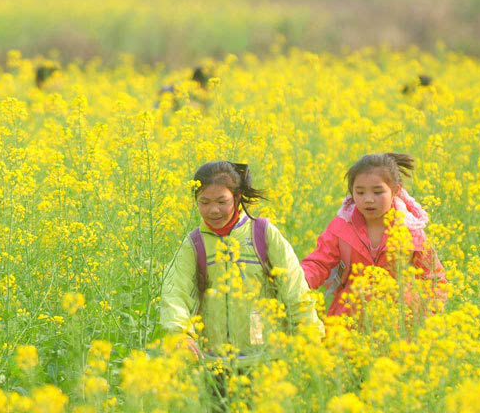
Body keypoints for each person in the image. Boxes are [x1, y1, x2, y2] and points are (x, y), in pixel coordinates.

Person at [160, 161, 322, 362]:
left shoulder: (262, 233)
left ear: (237, 198)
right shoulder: (194, 243)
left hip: (266, 358)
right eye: (204, 202)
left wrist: (309, 336)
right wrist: (179, 334)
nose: (213, 210)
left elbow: (294, 287)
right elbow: (175, 291)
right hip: (213, 361)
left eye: (222, 202)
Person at [301, 153, 446, 321]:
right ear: (351, 193)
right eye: (360, 192)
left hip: (398, 321)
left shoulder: (411, 230)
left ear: (395, 192)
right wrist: (296, 280)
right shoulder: (341, 227)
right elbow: (319, 263)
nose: (368, 200)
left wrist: (425, 315)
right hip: (349, 317)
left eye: (378, 192)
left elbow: (433, 279)